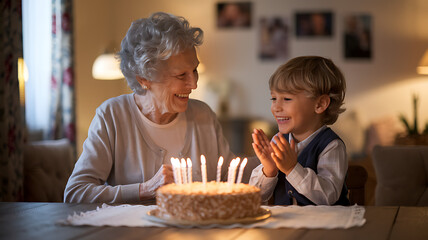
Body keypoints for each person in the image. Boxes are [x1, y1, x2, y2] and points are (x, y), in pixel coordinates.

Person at [64, 12, 246, 204]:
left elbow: (230, 179)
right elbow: (76, 193)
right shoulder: (112, 116)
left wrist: (268, 166)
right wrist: (145, 189)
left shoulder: (204, 115)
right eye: (181, 75)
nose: (194, 84)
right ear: (143, 79)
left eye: (194, 70)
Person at [249, 56, 350, 206]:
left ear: (320, 104)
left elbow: (328, 196)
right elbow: (254, 197)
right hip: (287, 226)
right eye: (274, 98)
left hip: (326, 226)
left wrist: (292, 168)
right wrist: (269, 170)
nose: (276, 107)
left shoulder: (331, 145)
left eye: (287, 99)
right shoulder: (279, 141)